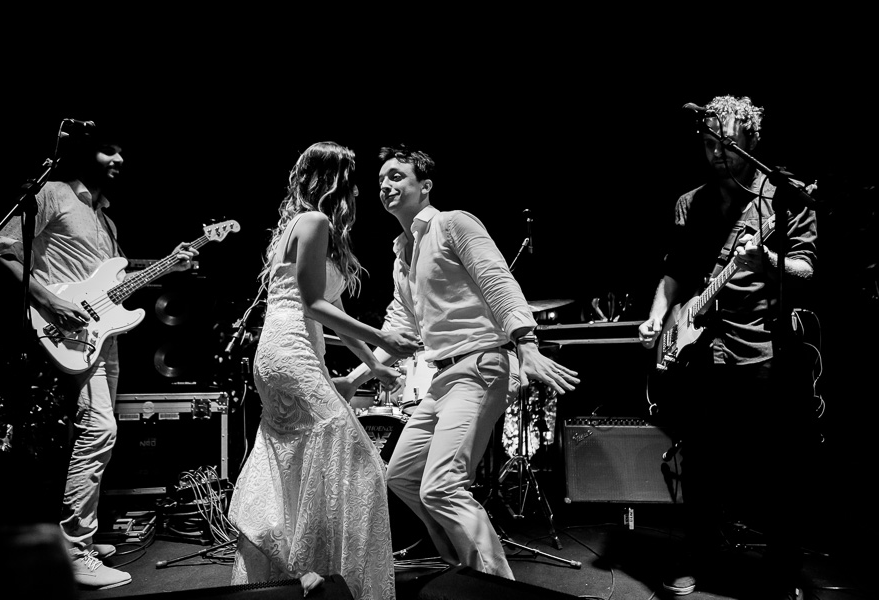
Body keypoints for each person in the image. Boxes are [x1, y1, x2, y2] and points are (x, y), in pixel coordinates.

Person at [334, 145, 580, 580]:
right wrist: (356, 377)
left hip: (480, 365)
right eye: (381, 180)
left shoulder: (453, 223)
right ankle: (465, 571)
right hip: (443, 377)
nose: (385, 185)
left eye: (396, 176)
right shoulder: (402, 254)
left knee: (443, 486)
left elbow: (497, 279)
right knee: (402, 476)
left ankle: (497, 587)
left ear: (425, 186)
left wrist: (526, 343)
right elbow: (400, 326)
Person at [0, 123, 198, 591]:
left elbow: (112, 282)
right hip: (60, 328)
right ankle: (75, 549)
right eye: (108, 150)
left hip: (100, 336)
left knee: (90, 434)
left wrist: (170, 262)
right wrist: (50, 301)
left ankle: (78, 536)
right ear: (85, 154)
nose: (118, 159)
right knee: (99, 428)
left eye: (122, 151)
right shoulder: (54, 194)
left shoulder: (106, 221)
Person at [638, 95, 818, 599]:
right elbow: (674, 271)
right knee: (699, 460)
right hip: (699, 349)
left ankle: (782, 569)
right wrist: (658, 315)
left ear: (752, 140)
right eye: (709, 144)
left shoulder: (785, 198)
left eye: (729, 144)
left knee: (775, 465)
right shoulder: (689, 203)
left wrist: (766, 261)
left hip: (762, 344)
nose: (718, 154)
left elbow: (806, 268)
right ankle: (698, 552)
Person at [227, 141, 420, 600]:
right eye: (354, 181)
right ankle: (326, 574)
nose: (360, 192)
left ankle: (296, 569)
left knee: (299, 460)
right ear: (336, 182)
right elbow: (313, 305)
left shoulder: (296, 225)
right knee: (359, 462)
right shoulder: (314, 221)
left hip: (281, 355)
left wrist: (373, 366)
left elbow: (333, 311)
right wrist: (383, 338)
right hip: (291, 353)